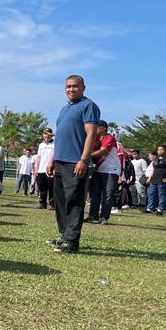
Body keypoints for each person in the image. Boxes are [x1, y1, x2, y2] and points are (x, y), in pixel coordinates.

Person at [46, 75, 100, 254]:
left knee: (74, 201)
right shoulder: (64, 109)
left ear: (83, 87)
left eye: (75, 86)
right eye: (68, 86)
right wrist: (52, 159)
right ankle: (64, 236)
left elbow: (91, 134)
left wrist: (83, 160)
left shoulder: (88, 106)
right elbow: (60, 136)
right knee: (60, 201)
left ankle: (72, 241)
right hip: (60, 161)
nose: (71, 89)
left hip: (75, 162)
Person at [87, 120, 120, 225]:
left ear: (103, 128)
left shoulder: (109, 138)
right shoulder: (95, 139)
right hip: (98, 170)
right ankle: (93, 216)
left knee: (108, 195)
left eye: (96, 127)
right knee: (94, 194)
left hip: (111, 170)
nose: (94, 129)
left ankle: (104, 217)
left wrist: (87, 156)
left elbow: (103, 151)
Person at [145, 145, 166, 215]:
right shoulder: (156, 159)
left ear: (165, 150)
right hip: (153, 179)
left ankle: (160, 209)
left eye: (162, 149)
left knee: (161, 195)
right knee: (151, 194)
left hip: (162, 180)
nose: (160, 151)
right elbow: (153, 169)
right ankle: (149, 208)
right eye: (159, 150)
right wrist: (150, 177)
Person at [34, 128, 55, 210]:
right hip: (41, 170)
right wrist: (36, 169)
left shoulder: (55, 144)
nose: (46, 135)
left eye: (48, 133)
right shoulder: (41, 145)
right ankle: (42, 203)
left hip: (51, 169)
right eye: (44, 133)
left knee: (51, 188)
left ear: (51, 134)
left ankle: (51, 204)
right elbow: (38, 157)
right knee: (41, 187)